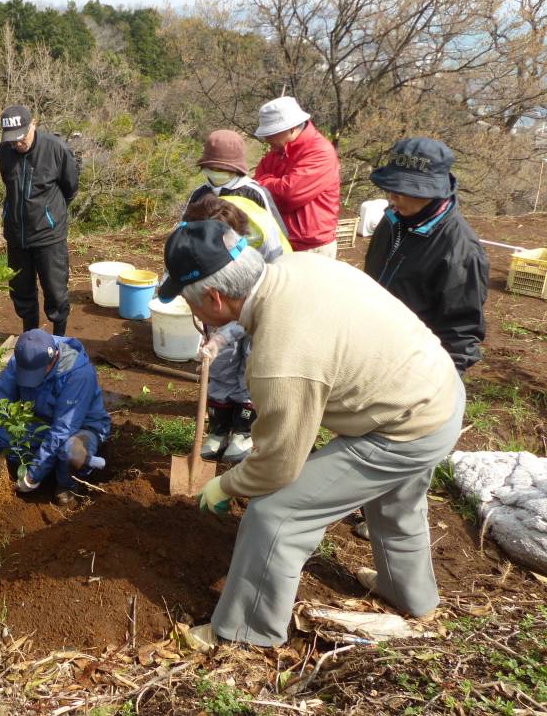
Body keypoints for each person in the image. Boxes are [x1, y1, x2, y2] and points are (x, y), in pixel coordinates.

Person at [158, 219, 465, 648]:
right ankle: (408, 592)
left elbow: (279, 466)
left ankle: (245, 633)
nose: (196, 315)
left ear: (213, 297)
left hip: (405, 426)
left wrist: (226, 484)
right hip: (437, 390)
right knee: (397, 499)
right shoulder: (300, 266)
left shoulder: (279, 356)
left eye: (193, 305)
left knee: (276, 513)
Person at [364, 137, 489, 375]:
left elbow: (460, 334)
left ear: (433, 192)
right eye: (391, 187)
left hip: (413, 366)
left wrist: (440, 384)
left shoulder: (460, 249)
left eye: (404, 190)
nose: (393, 196)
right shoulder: (392, 219)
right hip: (371, 348)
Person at [182, 194, 290, 462]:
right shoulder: (193, 228)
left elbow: (259, 301)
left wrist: (226, 334)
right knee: (219, 364)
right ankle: (219, 429)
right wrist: (216, 339)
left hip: (263, 306)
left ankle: (244, 430)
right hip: (220, 301)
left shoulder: (262, 238)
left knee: (251, 363)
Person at [0, 329, 110, 505]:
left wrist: (33, 475)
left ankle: (67, 484)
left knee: (71, 452)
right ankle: (46, 463)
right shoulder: (22, 360)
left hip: (80, 428)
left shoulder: (79, 374)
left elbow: (63, 429)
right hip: (40, 425)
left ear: (54, 357)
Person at [0, 105, 80, 335]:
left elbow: (70, 188)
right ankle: (31, 337)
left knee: (55, 291)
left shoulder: (55, 149)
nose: (17, 144)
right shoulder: (4, 151)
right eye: (12, 139)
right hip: (16, 234)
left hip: (48, 235)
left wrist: (49, 215)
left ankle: (59, 339)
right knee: (21, 291)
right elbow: (9, 186)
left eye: (21, 137)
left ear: (33, 124)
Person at [253, 97, 341, 256]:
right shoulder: (278, 151)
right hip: (283, 241)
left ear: (291, 128)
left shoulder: (320, 152)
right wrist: (272, 183)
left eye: (271, 133)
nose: (266, 139)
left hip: (312, 248)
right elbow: (257, 188)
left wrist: (265, 182)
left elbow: (287, 196)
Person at [187, 129, 286, 236]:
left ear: (236, 169)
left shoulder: (255, 194)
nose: (216, 172)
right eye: (212, 168)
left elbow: (278, 236)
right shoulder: (199, 193)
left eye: (222, 169)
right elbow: (184, 233)